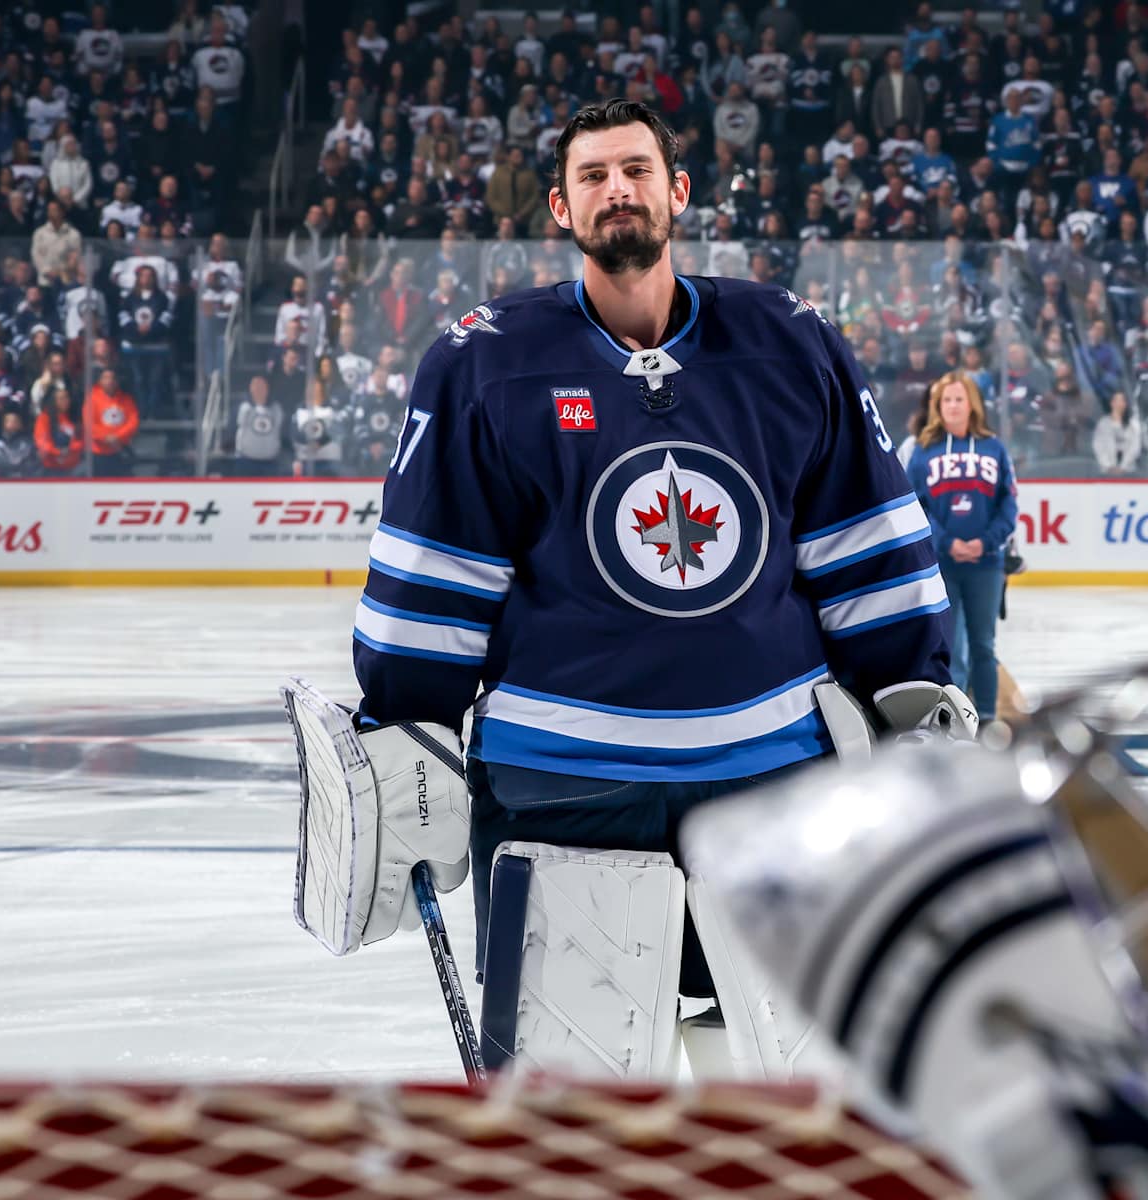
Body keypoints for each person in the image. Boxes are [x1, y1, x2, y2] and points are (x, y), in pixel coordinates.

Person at [330, 99, 962, 1074]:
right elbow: (437, 577)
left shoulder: (789, 341)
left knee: (772, 1077)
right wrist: (407, 726)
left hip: (771, 780)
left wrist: (913, 693)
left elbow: (864, 540)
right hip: (560, 788)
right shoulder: (484, 361)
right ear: (560, 206)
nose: (616, 189)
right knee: (570, 1097)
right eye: (593, 176)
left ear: (678, 191)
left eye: (635, 170)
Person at [906, 371, 1018, 723]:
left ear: (972, 404)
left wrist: (984, 542)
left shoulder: (994, 448)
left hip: (986, 565)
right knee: (950, 648)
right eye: (946, 400)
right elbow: (913, 504)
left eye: (959, 399)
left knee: (984, 646)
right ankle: (956, 721)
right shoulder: (923, 451)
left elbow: (1009, 504)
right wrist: (947, 542)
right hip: (942, 565)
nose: (953, 406)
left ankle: (986, 719)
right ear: (938, 407)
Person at [85, 367, 140, 471]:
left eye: (112, 378)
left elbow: (133, 421)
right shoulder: (91, 399)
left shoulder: (126, 399)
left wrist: (118, 437)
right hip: (99, 453)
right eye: (106, 378)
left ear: (117, 381)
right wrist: (106, 437)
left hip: (120, 450)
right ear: (100, 381)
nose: (109, 381)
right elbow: (89, 424)